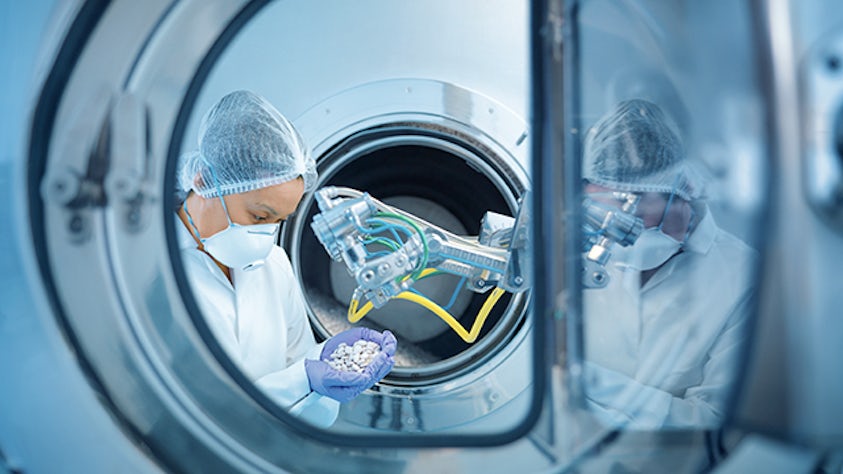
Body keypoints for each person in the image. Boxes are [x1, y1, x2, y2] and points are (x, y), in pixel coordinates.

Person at [176, 90, 396, 428]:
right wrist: (304, 380)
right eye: (259, 216)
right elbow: (200, 412)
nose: (265, 235)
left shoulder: (274, 264)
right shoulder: (154, 267)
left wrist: (326, 365)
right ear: (204, 180)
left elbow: (306, 391)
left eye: (280, 220)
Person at [580, 99, 757, 430]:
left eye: (633, 208)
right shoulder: (578, 256)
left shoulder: (742, 277)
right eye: (607, 214)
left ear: (684, 190)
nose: (618, 230)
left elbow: (716, 422)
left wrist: (587, 382)